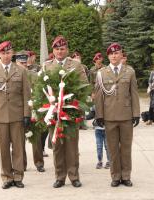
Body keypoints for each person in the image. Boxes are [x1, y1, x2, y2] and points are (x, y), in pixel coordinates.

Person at [43, 35, 88, 188]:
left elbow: (84, 86)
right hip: (54, 112)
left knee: (72, 146)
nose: (60, 52)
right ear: (53, 51)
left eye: (62, 49)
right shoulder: (47, 66)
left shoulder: (76, 64)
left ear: (67, 50)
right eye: (57, 49)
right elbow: (41, 88)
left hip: (71, 111)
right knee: (57, 146)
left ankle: (74, 176)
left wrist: (78, 107)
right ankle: (60, 177)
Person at [0, 41, 31, 189]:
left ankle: (18, 176)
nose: (6, 56)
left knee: (18, 148)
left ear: (13, 53)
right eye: (3, 53)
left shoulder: (21, 71)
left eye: (8, 53)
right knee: (3, 149)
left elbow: (26, 95)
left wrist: (27, 115)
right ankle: (6, 177)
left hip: (17, 115)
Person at [95, 42, 140, 187]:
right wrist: (99, 115)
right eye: (111, 54)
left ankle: (126, 176)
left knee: (126, 148)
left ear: (121, 55)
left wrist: (136, 113)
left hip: (126, 116)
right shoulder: (102, 73)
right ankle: (115, 176)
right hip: (109, 117)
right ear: (108, 56)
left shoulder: (130, 72)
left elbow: (134, 94)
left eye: (116, 53)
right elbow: (99, 96)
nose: (114, 56)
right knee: (113, 149)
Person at [15, 50, 46, 172]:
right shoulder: (12, 76)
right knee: (19, 140)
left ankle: (39, 163)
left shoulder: (33, 75)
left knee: (36, 138)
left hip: (33, 109)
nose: (23, 65)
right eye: (20, 63)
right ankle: (22, 164)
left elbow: (39, 91)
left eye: (24, 62)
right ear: (16, 62)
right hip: (17, 110)